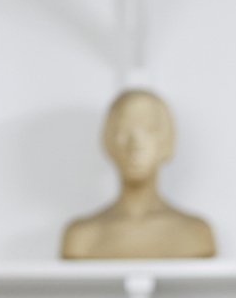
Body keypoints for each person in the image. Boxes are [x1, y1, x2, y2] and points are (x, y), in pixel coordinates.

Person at [61, 89, 216, 261]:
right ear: (107, 141)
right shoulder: (82, 237)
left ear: (168, 142)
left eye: (150, 130)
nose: (135, 144)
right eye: (124, 130)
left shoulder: (194, 234)